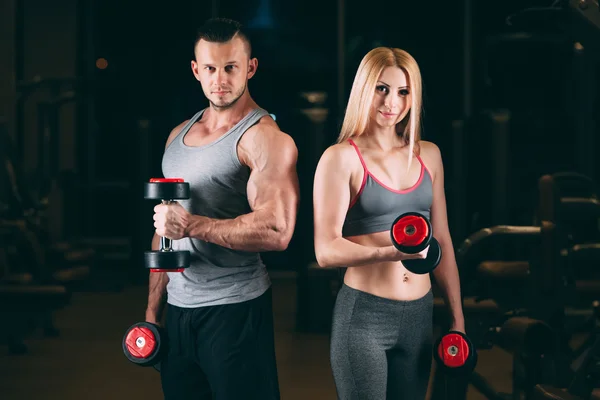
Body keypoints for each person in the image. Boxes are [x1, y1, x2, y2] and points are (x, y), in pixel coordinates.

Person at [146, 17, 299, 400]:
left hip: (236, 310)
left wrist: (194, 225)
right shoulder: (177, 136)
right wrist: (153, 309)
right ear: (196, 71)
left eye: (231, 67)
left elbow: (277, 230)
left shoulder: (264, 138)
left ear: (250, 67)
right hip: (180, 313)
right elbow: (166, 230)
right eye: (211, 69)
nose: (220, 79)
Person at [313, 47, 465, 399]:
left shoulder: (429, 155)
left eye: (403, 91)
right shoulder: (341, 158)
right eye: (382, 88)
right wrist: (390, 252)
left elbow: (441, 239)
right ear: (364, 89)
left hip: (419, 314)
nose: (391, 101)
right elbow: (325, 250)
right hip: (365, 314)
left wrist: (457, 316)